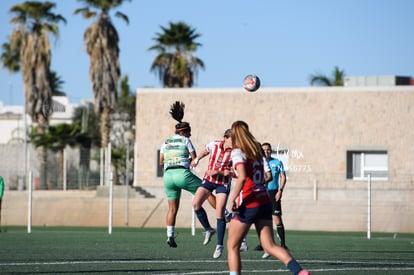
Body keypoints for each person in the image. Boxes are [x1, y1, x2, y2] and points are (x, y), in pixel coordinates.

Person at [226, 120, 310, 275]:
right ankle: (299, 272)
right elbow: (255, 174)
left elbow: (243, 177)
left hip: (249, 201)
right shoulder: (256, 152)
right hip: (264, 200)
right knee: (269, 246)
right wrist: (234, 173)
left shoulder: (238, 152)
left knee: (232, 246)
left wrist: (232, 199)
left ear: (234, 134)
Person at [160, 101, 214, 248]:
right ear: (183, 132)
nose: (190, 134)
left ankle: (170, 235)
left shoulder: (165, 142)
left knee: (172, 209)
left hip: (167, 176)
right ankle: (226, 214)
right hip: (182, 173)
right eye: (189, 131)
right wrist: (188, 160)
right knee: (207, 191)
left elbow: (161, 161)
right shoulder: (186, 140)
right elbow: (194, 158)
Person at [192, 129, 233, 259]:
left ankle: (219, 245)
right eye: (233, 138)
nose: (235, 142)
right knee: (196, 204)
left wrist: (219, 172)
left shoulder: (236, 152)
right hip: (209, 180)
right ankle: (208, 229)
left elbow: (234, 170)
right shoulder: (214, 144)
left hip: (223, 183)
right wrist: (197, 159)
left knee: (220, 211)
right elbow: (206, 150)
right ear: (225, 138)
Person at [261, 142, 288, 259]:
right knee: (262, 219)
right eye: (264, 150)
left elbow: (283, 176)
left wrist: (280, 190)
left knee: (276, 218)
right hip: (262, 193)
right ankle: (264, 244)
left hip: (273, 193)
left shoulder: (277, 162)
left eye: (268, 150)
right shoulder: (259, 162)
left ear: (271, 151)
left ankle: (283, 244)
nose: (266, 151)